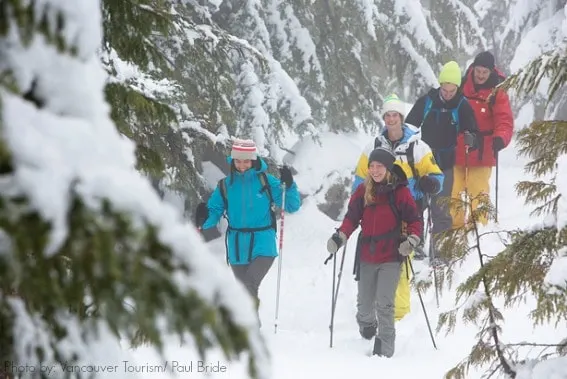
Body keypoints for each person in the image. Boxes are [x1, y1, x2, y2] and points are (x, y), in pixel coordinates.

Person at [352, 93, 444, 321]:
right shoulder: (372, 146)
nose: (391, 119)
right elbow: (359, 180)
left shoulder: (418, 147)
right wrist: (358, 204)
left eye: (395, 115)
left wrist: (429, 182)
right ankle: (374, 309)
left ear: (402, 117)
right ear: (383, 118)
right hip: (377, 214)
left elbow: (437, 177)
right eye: (387, 115)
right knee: (374, 263)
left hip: (406, 214)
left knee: (401, 263)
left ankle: (398, 313)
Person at [327, 147, 423, 358]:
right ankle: (367, 325)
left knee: (385, 304)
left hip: (392, 254)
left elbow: (415, 220)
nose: (375, 170)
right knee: (364, 304)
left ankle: (385, 348)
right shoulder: (363, 190)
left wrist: (412, 240)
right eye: (372, 166)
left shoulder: (400, 191)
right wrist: (340, 236)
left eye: (379, 166)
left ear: (388, 168)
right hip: (367, 254)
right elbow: (351, 218)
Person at [195, 138, 301, 312]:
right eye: (238, 161)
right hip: (237, 247)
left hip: (263, 243)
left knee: (249, 284)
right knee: (243, 291)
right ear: (233, 160)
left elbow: (292, 205)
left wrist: (289, 186)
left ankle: (250, 329)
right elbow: (214, 211)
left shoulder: (266, 182)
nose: (242, 165)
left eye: (246, 161)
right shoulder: (226, 185)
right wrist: (204, 219)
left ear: (253, 160)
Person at [405, 61, 479, 262]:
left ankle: (440, 251)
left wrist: (471, 138)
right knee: (416, 205)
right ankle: (415, 245)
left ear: (457, 87)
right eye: (444, 90)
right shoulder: (427, 101)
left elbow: (472, 128)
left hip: (445, 162)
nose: (447, 94)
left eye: (451, 90)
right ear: (440, 85)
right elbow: (410, 125)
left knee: (441, 206)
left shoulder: (462, 104)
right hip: (422, 160)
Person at [454, 51, 514, 227]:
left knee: (478, 191)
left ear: (491, 72)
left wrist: (501, 138)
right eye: (478, 71)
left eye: (484, 72)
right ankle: (453, 231)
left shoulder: (497, 92)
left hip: (484, 150)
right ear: (473, 68)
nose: (480, 75)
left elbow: (504, 119)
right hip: (459, 147)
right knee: (453, 191)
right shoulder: (462, 85)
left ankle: (477, 231)